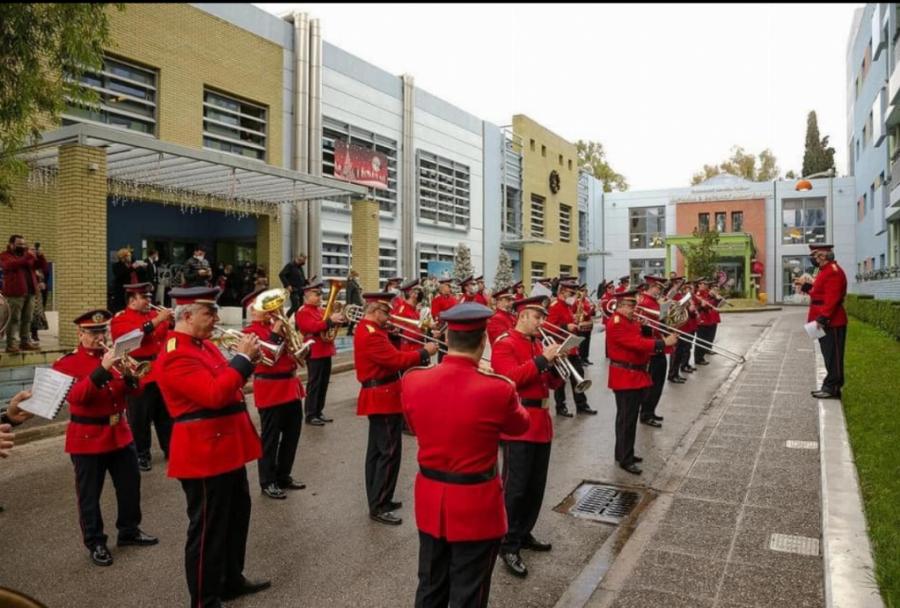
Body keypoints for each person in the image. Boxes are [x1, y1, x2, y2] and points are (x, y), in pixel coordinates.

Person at [402, 303, 531, 608]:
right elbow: (521, 425)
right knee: (469, 592)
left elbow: (414, 424)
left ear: (447, 338)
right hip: (477, 505)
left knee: (430, 586)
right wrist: (496, 381)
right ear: (483, 341)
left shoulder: (413, 379)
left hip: (430, 501)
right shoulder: (498, 388)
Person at [155, 286, 271, 606]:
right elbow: (214, 394)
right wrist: (243, 359)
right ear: (187, 316)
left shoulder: (203, 345)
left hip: (226, 445)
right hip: (204, 451)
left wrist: (247, 362)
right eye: (210, 313)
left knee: (236, 516)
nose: (216, 320)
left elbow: (228, 382)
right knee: (208, 529)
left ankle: (231, 579)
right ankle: (204, 599)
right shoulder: (176, 353)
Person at [52, 309, 158, 566]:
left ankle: (129, 531)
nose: (99, 337)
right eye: (92, 333)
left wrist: (131, 378)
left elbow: (135, 392)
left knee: (130, 486)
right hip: (87, 437)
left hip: (119, 433)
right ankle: (95, 541)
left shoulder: (116, 357)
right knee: (89, 494)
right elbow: (76, 397)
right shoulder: (66, 363)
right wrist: (102, 369)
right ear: (80, 334)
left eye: (102, 331)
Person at [491, 296, 563, 578]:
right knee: (515, 488)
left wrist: (556, 366)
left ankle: (523, 532)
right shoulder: (505, 343)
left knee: (535, 486)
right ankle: (507, 544)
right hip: (519, 422)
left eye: (543, 317)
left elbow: (553, 384)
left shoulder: (537, 344)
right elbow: (509, 378)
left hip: (541, 422)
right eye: (537, 317)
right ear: (522, 316)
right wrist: (542, 360)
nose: (541, 322)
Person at [355, 292, 436, 525]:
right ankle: (379, 504)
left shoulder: (373, 330)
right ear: (374, 311)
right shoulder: (371, 334)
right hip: (383, 396)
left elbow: (390, 354)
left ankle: (380, 498)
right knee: (388, 453)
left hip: (382, 394)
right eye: (386, 312)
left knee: (378, 451)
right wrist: (424, 352)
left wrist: (393, 335)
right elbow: (396, 361)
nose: (389, 317)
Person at [242, 290, 307, 500]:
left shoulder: (278, 325)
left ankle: (283, 475)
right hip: (271, 389)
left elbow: (293, 354)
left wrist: (299, 345)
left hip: (290, 386)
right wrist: (276, 334)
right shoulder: (249, 332)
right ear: (253, 311)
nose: (270, 310)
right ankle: (267, 481)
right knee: (270, 439)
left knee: (292, 436)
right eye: (264, 307)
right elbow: (266, 357)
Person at [605, 291, 677, 475]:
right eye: (630, 306)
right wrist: (663, 343)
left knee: (627, 418)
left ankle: (623, 452)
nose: (633, 310)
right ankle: (625, 459)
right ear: (620, 306)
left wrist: (646, 328)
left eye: (634, 306)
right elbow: (636, 344)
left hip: (634, 375)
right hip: (625, 376)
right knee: (626, 420)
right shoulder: (617, 323)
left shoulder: (630, 321)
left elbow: (641, 339)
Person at [110, 283, 173, 472]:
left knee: (165, 414)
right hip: (138, 371)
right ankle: (141, 454)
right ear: (132, 300)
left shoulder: (153, 315)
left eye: (149, 297)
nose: (149, 301)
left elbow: (167, 337)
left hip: (159, 370)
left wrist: (172, 321)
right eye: (144, 297)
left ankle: (170, 449)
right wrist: (157, 321)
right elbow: (129, 337)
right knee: (139, 417)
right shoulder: (121, 318)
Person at [799, 244, 848, 399]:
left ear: (823, 256)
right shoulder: (824, 271)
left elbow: (832, 298)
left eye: (815, 255)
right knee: (828, 355)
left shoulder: (833, 272)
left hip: (831, 322)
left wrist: (823, 318)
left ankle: (833, 388)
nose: (813, 258)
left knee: (833, 356)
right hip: (823, 320)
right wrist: (806, 287)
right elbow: (820, 292)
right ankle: (829, 386)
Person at [295, 280, 346, 426]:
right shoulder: (303, 311)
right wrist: (330, 321)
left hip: (325, 349)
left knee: (323, 383)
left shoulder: (321, 310)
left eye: (320, 294)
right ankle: (310, 414)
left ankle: (319, 411)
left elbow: (328, 324)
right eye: (316, 294)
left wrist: (338, 320)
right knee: (314, 384)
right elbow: (311, 327)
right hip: (315, 350)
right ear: (306, 296)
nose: (320, 297)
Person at [547, 281, 596, 417]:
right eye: (571, 293)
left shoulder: (567, 306)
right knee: (560, 380)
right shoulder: (555, 306)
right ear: (562, 292)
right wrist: (565, 327)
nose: (574, 296)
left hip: (571, 347)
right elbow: (547, 327)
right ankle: (560, 406)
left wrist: (575, 324)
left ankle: (582, 405)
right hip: (560, 348)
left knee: (578, 374)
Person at [2, 235, 48, 352]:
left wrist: (40, 256)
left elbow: (42, 266)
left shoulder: (27, 256)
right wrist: (28, 256)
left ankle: (25, 342)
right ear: (11, 244)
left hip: (30, 292)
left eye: (24, 244)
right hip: (15, 294)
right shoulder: (5, 256)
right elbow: (12, 265)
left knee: (27, 319)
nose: (22, 246)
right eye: (19, 244)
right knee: (14, 319)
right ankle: (11, 344)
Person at [637, 276, 670, 428]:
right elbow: (641, 328)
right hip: (651, 349)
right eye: (658, 288)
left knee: (658, 382)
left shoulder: (655, 302)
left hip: (658, 345)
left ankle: (651, 410)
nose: (660, 291)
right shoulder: (644, 302)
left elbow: (660, 321)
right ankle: (646, 413)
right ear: (651, 286)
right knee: (652, 384)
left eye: (661, 289)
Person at [392, 279, 426, 352]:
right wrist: (424, 331)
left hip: (418, 348)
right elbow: (408, 335)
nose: (420, 294)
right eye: (418, 292)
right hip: (409, 350)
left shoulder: (415, 310)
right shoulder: (402, 311)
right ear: (412, 294)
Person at [429, 278, 458, 363]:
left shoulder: (453, 299)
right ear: (441, 289)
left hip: (453, 327)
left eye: (448, 286)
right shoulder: (436, 300)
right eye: (446, 287)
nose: (448, 288)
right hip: (443, 327)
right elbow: (435, 314)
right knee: (443, 350)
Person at [694, 280, 721, 366]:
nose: (706, 286)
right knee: (700, 340)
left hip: (708, 319)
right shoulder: (698, 294)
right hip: (702, 320)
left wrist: (716, 299)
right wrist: (713, 298)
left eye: (706, 284)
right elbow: (705, 306)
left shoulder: (706, 293)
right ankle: (698, 358)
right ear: (699, 284)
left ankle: (702, 355)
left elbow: (712, 304)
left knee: (707, 339)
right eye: (704, 284)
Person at [279, 255, 309, 319]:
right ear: (299, 258)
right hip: (293, 289)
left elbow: (301, 280)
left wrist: (307, 281)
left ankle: (298, 323)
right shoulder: (290, 265)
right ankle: (285, 319)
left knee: (300, 308)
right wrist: (287, 285)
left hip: (300, 290)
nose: (304, 263)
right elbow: (281, 275)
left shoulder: (300, 268)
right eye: (303, 261)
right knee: (295, 306)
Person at [111, 248, 139, 313]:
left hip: (131, 289)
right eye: (128, 255)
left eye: (130, 255)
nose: (130, 257)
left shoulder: (130, 264)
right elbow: (120, 275)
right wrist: (132, 268)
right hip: (121, 290)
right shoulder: (116, 265)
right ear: (123, 257)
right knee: (121, 308)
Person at [575, 283, 595, 365]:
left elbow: (590, 313)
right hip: (582, 325)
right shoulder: (577, 302)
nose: (585, 293)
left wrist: (593, 309)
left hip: (588, 325)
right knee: (582, 343)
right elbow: (584, 313)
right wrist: (589, 312)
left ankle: (585, 357)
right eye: (584, 291)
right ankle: (580, 358)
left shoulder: (586, 301)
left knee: (587, 342)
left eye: (586, 292)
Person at [345, 269, 364, 336]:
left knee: (356, 318)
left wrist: (360, 289)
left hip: (358, 303)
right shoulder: (350, 283)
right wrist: (349, 304)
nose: (357, 278)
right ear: (353, 276)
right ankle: (351, 331)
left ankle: (350, 331)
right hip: (354, 303)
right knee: (356, 318)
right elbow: (348, 294)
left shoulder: (355, 283)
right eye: (356, 276)